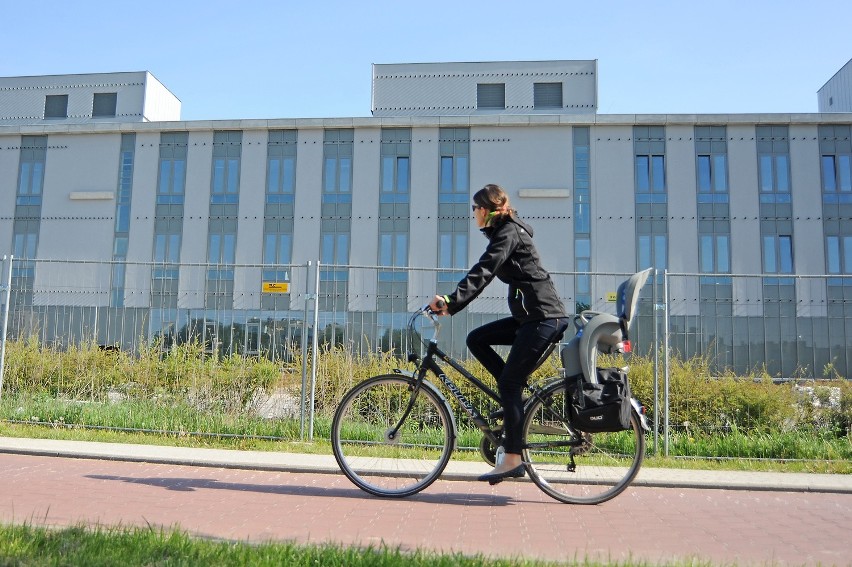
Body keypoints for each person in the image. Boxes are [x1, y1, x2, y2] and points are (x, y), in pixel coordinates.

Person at [429, 184, 569, 484]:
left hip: (544, 319)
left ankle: (513, 459)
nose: (473, 215)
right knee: (476, 340)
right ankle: (511, 400)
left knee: (510, 382)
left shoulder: (508, 233)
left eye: (474, 209)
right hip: (529, 318)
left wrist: (452, 301)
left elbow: (485, 270)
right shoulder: (504, 232)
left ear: (484, 210)